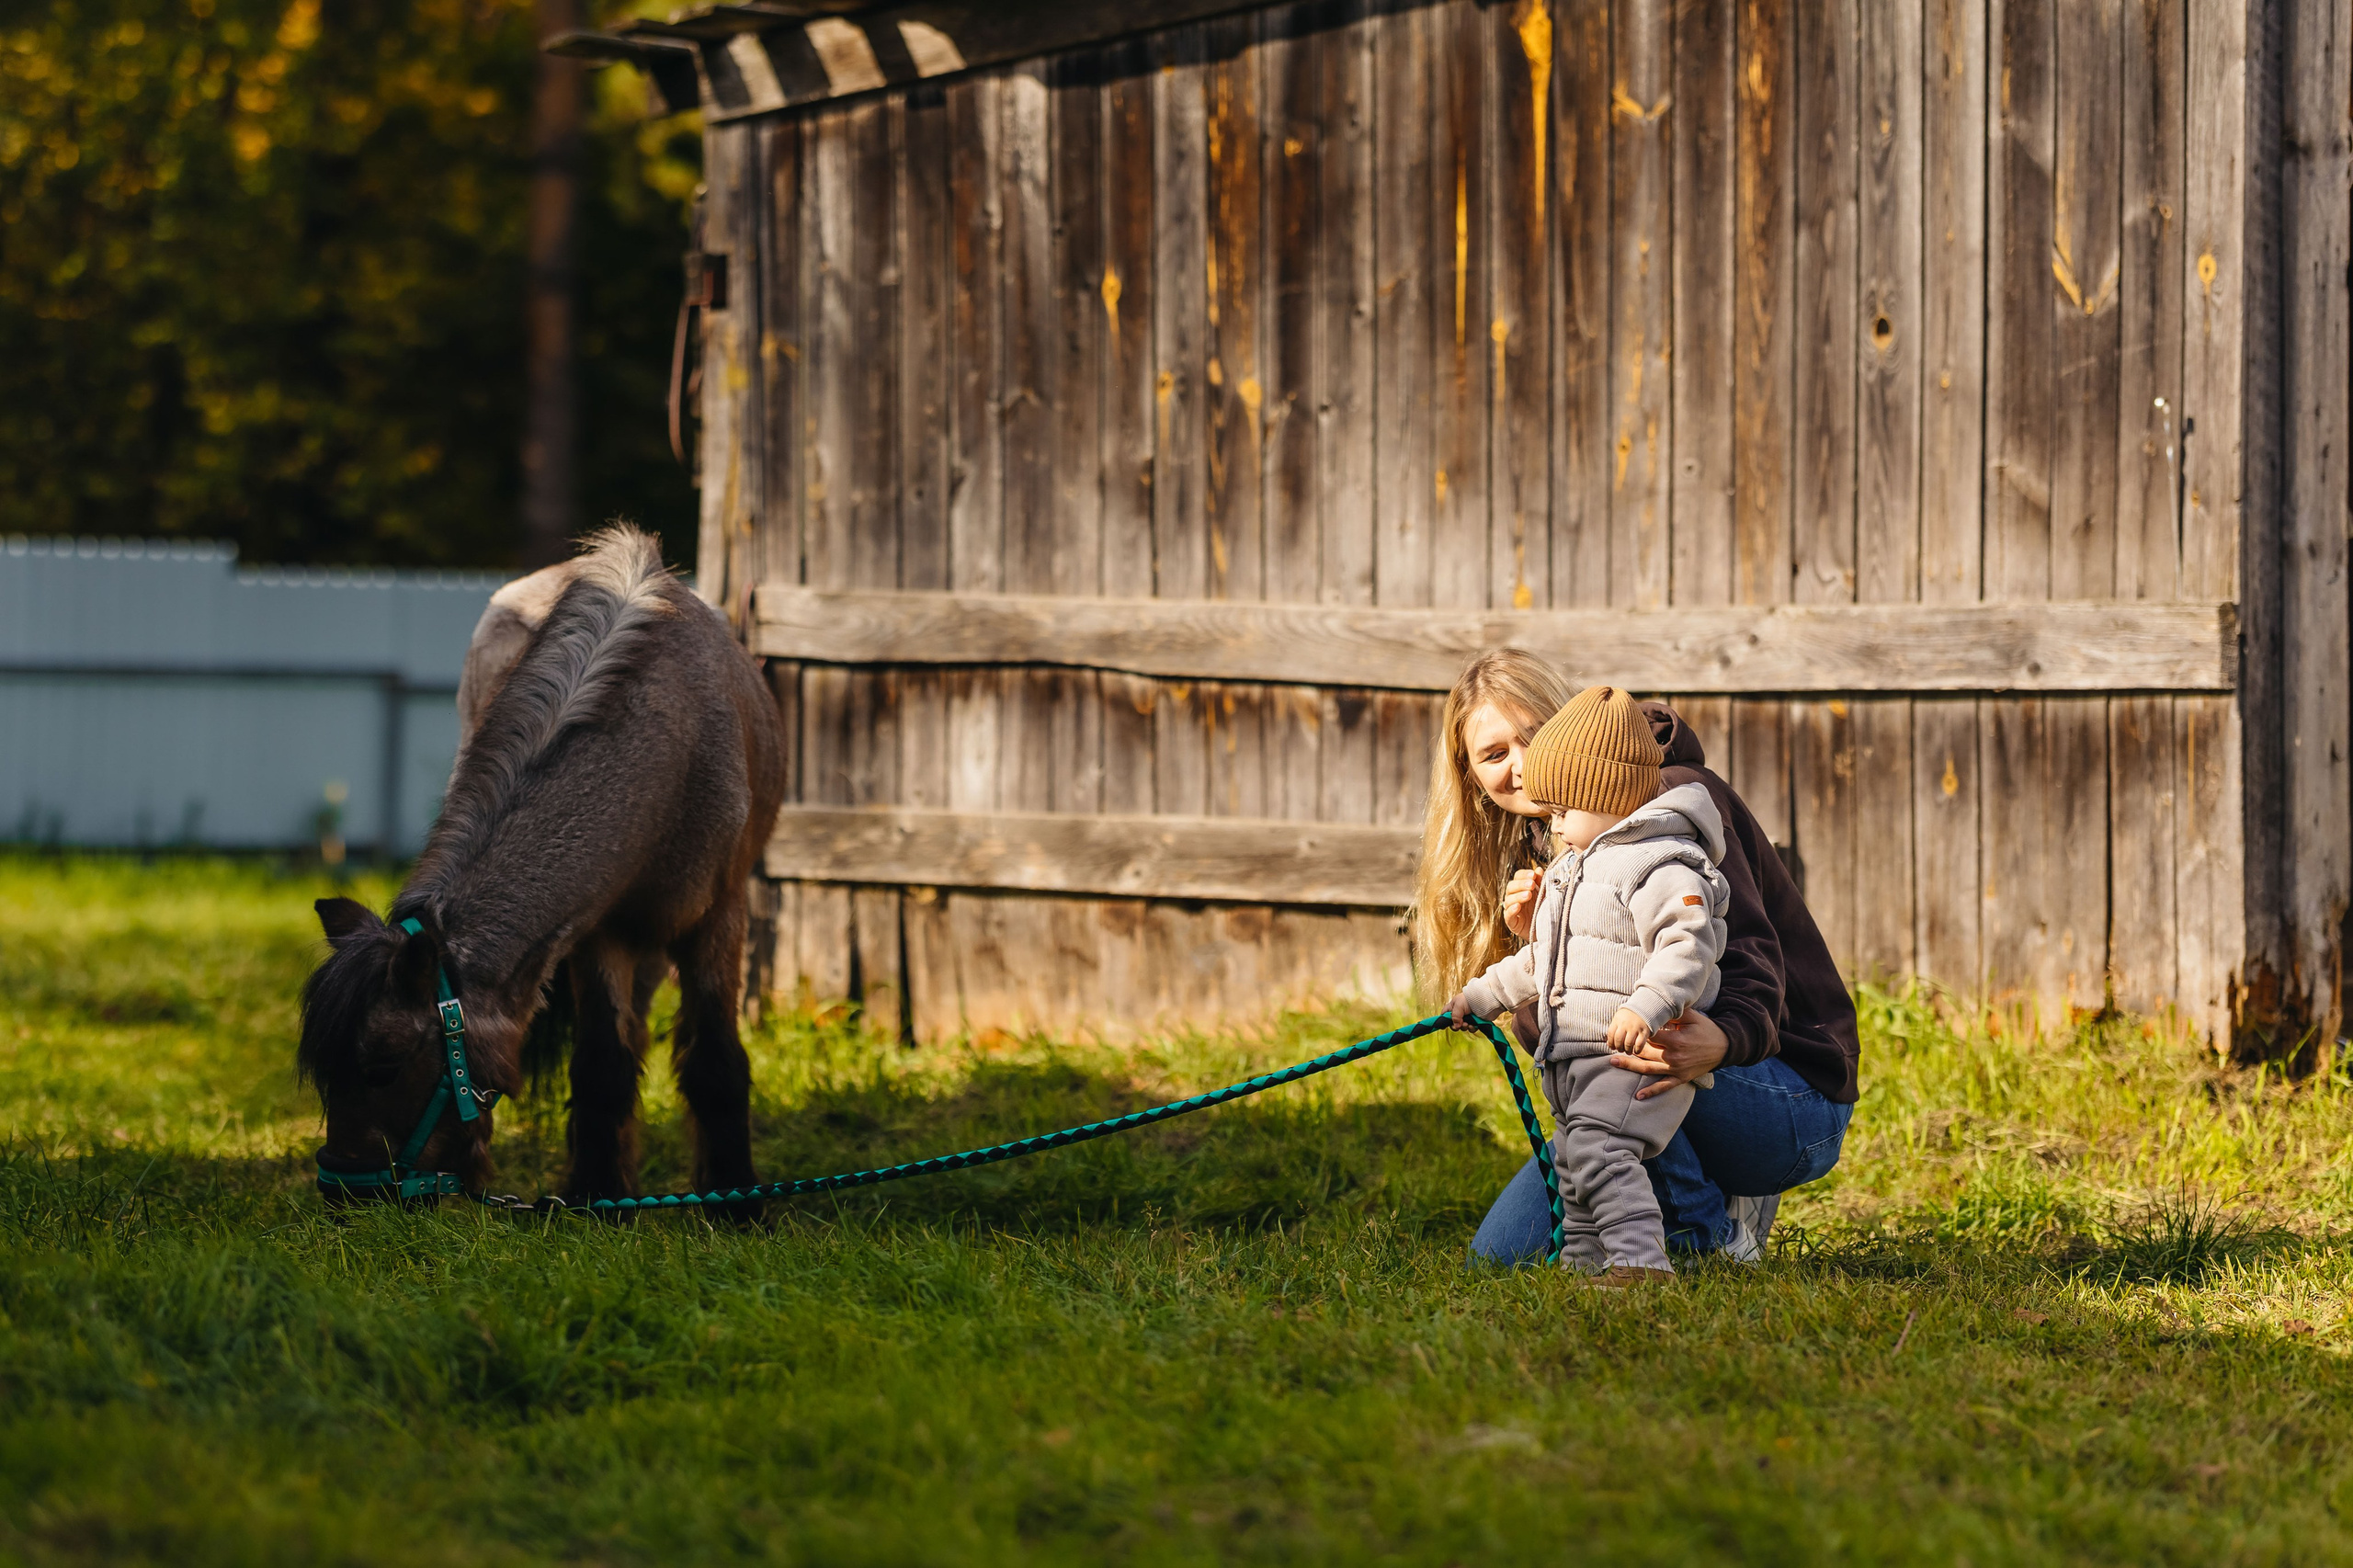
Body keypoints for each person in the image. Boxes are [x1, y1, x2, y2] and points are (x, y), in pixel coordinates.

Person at [1409, 649, 1859, 1265]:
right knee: (1499, 1258)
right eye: (1494, 754)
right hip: (1642, 1080)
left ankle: (1711, 1230)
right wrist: (1531, 945)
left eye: (1535, 737)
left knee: (1616, 1070)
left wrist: (1725, 1040)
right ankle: (1684, 1199)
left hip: (1781, 1092)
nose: (1522, 767)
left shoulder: (1669, 806)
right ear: (1471, 778)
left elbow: (1756, 960)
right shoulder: (1553, 848)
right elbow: (1565, 1032)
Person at [1446, 685, 1733, 1284]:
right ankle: (1583, 1262)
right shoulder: (1574, 872)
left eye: (1562, 811)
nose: (1553, 823)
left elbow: (1689, 945)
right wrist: (1478, 999)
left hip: (1631, 1055)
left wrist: (1648, 1006)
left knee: (1604, 1153)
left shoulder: (1661, 861)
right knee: (1574, 1163)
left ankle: (1641, 1262)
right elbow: (1538, 964)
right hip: (1575, 1058)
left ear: (1607, 799)